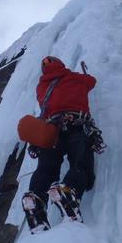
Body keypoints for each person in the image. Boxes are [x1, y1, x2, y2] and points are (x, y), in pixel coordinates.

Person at [22, 56, 105, 232]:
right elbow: (91, 82)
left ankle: (35, 198)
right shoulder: (74, 78)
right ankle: (68, 191)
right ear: (60, 65)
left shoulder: (41, 86)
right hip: (77, 126)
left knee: (46, 168)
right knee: (81, 164)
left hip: (52, 130)